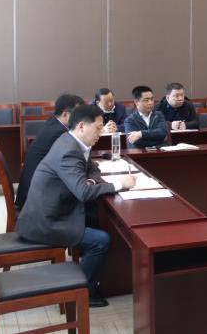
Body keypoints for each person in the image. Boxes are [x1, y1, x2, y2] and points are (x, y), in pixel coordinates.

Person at [16, 105, 136, 307]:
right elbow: (83, 192)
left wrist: (92, 181)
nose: (101, 133)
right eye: (98, 128)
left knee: (102, 221)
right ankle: (83, 292)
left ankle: (102, 279)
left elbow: (92, 168)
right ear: (81, 126)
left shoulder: (73, 141)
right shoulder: (68, 150)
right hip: (46, 221)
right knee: (100, 240)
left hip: (59, 208)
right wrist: (119, 184)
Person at [15, 93, 86, 211]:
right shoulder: (59, 133)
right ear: (66, 115)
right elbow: (71, 167)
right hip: (36, 202)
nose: (82, 119)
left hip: (31, 192)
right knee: (87, 201)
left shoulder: (53, 124)